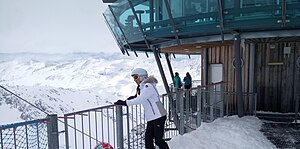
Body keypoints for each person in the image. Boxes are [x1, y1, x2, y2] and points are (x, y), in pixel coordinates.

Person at [114, 68, 170, 149]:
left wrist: (125, 103)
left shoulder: (148, 86)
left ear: (142, 77)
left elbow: (141, 99)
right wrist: (130, 99)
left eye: (136, 77)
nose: (134, 80)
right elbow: (140, 97)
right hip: (153, 116)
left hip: (158, 116)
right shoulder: (143, 87)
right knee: (148, 139)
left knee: (158, 140)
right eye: (134, 78)